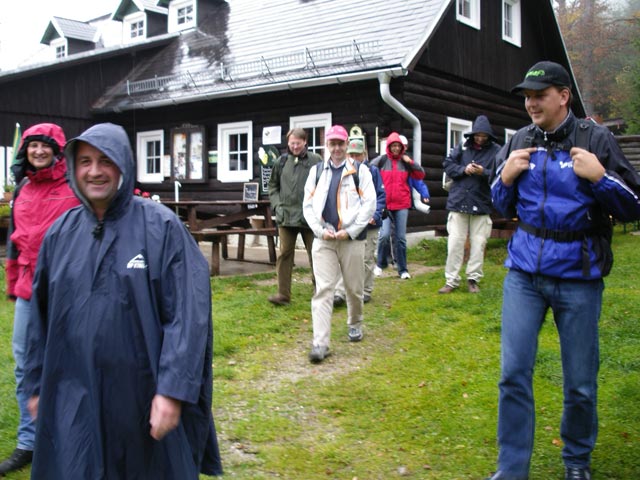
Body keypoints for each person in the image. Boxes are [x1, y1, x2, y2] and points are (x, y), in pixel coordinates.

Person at [22, 123, 222, 478]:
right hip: (75, 391)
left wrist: (173, 391)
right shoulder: (61, 235)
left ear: (123, 165)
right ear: (72, 167)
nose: (94, 171)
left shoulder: (161, 229)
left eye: (105, 160)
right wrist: (37, 385)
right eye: (84, 161)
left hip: (143, 398)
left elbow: (188, 317)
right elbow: (39, 319)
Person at [488, 61, 640, 480]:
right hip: (524, 274)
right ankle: (511, 469)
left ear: (563, 96)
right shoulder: (519, 140)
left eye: (539, 95)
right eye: (527, 96)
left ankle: (576, 462)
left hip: (579, 276)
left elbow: (633, 205)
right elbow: (498, 204)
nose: (531, 102)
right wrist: (504, 177)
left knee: (580, 382)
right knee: (513, 373)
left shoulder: (596, 139)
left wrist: (602, 178)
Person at [0, 123, 80, 476]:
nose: (38, 151)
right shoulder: (22, 191)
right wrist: (13, 281)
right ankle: (29, 441)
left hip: (69, 290)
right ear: (25, 151)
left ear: (57, 150)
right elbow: (16, 242)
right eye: (32, 146)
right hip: (29, 291)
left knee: (70, 362)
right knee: (25, 365)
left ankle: (70, 434)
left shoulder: (74, 188)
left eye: (44, 146)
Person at [303, 125, 376, 363]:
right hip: (323, 240)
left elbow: (369, 204)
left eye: (340, 144)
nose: (336, 148)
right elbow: (307, 205)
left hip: (351, 239)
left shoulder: (360, 171)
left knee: (354, 288)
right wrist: (320, 230)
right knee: (324, 289)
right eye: (332, 143)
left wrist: (352, 231)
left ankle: (355, 323)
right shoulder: (316, 172)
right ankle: (320, 343)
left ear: (347, 145)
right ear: (327, 145)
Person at [438, 115, 500, 294]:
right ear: (473, 135)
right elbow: (448, 165)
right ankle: (451, 280)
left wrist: (483, 172)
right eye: (478, 135)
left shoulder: (496, 151)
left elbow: (499, 174)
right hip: (459, 201)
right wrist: (463, 170)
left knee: (479, 243)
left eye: (484, 135)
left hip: (481, 202)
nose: (480, 138)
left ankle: (473, 279)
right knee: (455, 243)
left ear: (488, 135)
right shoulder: (462, 147)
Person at [268, 128, 323, 306]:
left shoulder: (316, 160)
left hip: (310, 217)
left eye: (298, 143)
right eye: (292, 143)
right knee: (284, 255)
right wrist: (277, 206)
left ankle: (320, 291)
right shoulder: (281, 162)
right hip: (286, 217)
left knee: (316, 253)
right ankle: (283, 294)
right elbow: (273, 186)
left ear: (305, 142)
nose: (295, 146)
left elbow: (323, 185)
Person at [333, 136, 386, 306]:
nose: (355, 158)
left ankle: (365, 291)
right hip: (349, 224)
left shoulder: (373, 171)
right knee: (345, 258)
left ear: (364, 154)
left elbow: (381, 197)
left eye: (358, 155)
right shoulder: (342, 171)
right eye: (352, 155)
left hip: (370, 224)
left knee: (367, 258)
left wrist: (375, 215)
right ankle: (340, 293)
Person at [371, 132, 425, 279]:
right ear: (389, 146)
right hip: (385, 205)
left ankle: (403, 269)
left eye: (398, 146)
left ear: (402, 147)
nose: (395, 148)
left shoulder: (406, 163)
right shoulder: (381, 161)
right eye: (393, 146)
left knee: (400, 238)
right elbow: (367, 171)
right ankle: (380, 264)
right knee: (384, 236)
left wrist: (411, 162)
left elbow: (420, 175)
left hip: (402, 205)